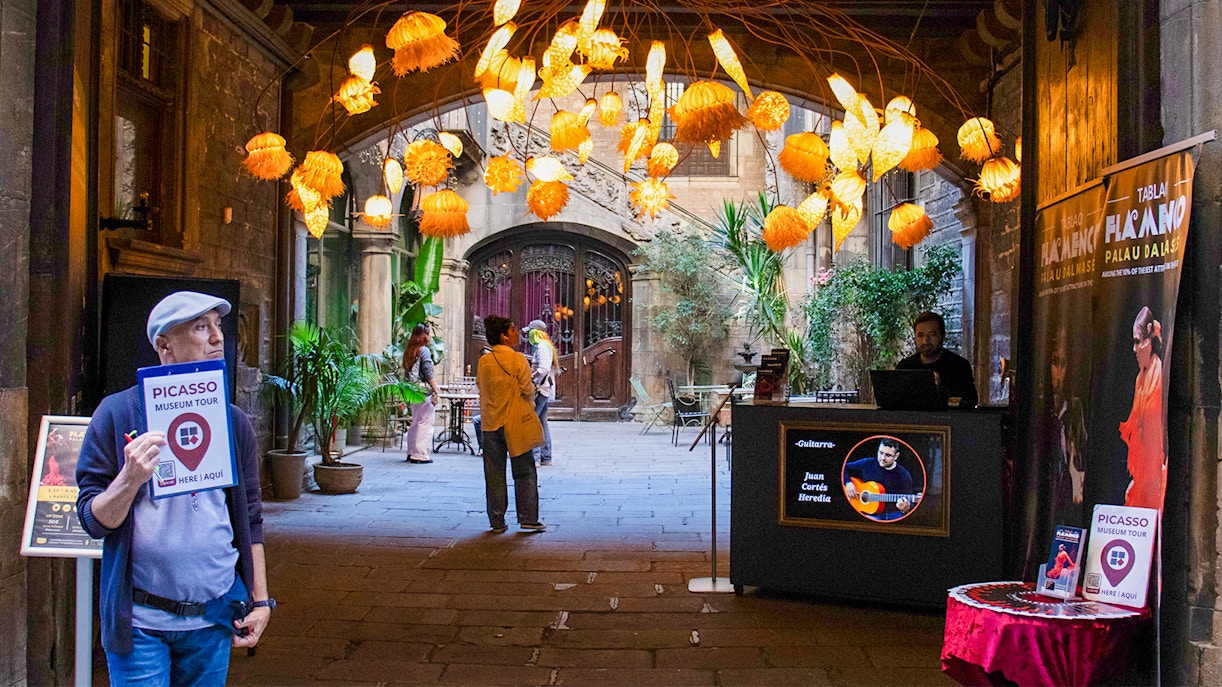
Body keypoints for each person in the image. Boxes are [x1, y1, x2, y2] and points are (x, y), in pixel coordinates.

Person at [76, 291, 271, 685]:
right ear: (163, 345)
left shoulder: (232, 422)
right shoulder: (117, 414)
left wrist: (261, 599)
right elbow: (94, 521)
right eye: (202, 327)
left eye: (219, 326)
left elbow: (251, 518)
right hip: (140, 622)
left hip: (213, 615)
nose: (218, 338)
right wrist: (130, 478)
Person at [476, 315, 546, 533]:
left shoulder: (484, 362)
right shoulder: (518, 360)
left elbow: (481, 386)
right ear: (504, 336)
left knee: (494, 473)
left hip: (490, 422)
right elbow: (527, 389)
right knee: (524, 470)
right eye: (513, 329)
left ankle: (497, 520)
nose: (517, 333)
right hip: (515, 422)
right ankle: (528, 518)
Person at [1120, 306, 1166, 510]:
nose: (1134, 349)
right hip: (1141, 477)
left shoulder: (1159, 375)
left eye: (1138, 342)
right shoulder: (1140, 379)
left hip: (1154, 477)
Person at [1042, 325, 1087, 525]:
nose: (1060, 374)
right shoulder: (1039, 411)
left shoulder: (1076, 409)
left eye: (1065, 364)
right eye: (1055, 363)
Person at [896, 311, 978, 408]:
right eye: (920, 336)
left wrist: (941, 390)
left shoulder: (958, 366)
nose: (925, 341)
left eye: (932, 335)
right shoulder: (905, 367)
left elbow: (970, 403)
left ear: (943, 336)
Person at [842, 438, 916, 521]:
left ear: (896, 456)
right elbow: (844, 467)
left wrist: (906, 508)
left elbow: (910, 504)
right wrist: (847, 483)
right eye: (881, 453)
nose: (882, 458)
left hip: (893, 515)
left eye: (888, 455)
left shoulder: (904, 475)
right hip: (869, 513)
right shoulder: (868, 463)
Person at [521, 319, 559, 466]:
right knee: (542, 422)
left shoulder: (542, 347)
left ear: (535, 332)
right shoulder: (544, 346)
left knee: (533, 421)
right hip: (545, 389)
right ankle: (546, 456)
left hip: (540, 389)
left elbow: (543, 368)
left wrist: (531, 377)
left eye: (530, 332)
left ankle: (535, 457)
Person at [402, 323, 441, 464]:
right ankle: (420, 454)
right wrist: (435, 389)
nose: (430, 337)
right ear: (424, 335)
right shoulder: (423, 350)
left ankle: (411, 451)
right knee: (425, 421)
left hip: (412, 391)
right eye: (429, 334)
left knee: (415, 421)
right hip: (424, 392)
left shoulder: (410, 350)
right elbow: (428, 371)